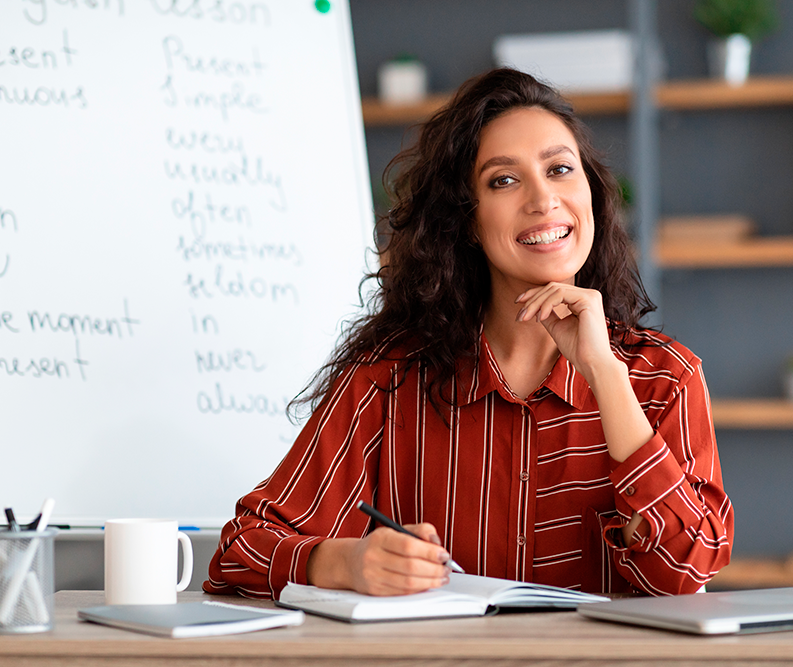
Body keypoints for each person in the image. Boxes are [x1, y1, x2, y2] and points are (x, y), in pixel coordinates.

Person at [204, 68, 732, 599]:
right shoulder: (388, 379)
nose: (543, 199)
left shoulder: (665, 379)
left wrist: (605, 373)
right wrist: (344, 563)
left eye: (560, 169)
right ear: (467, 222)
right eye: (504, 180)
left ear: (591, 194)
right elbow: (240, 551)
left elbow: (686, 571)